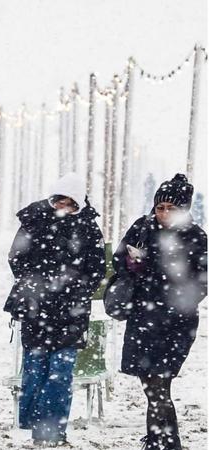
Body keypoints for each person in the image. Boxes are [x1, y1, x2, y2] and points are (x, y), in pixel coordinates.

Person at [3, 173, 105, 447]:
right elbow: (17, 258)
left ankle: (53, 430)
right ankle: (39, 428)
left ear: (78, 203)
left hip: (69, 312)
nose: (63, 207)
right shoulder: (34, 221)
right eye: (59, 201)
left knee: (60, 372)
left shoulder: (87, 227)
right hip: (38, 310)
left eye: (69, 202)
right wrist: (36, 286)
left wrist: (73, 291)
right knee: (37, 370)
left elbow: (96, 268)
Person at [113, 174, 207, 450]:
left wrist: (173, 295)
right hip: (143, 319)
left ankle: (164, 442)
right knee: (151, 387)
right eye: (160, 207)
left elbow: (202, 281)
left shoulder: (196, 237)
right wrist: (132, 267)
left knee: (158, 385)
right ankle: (159, 440)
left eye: (172, 208)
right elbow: (119, 261)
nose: (164, 213)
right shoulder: (142, 228)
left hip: (176, 322)